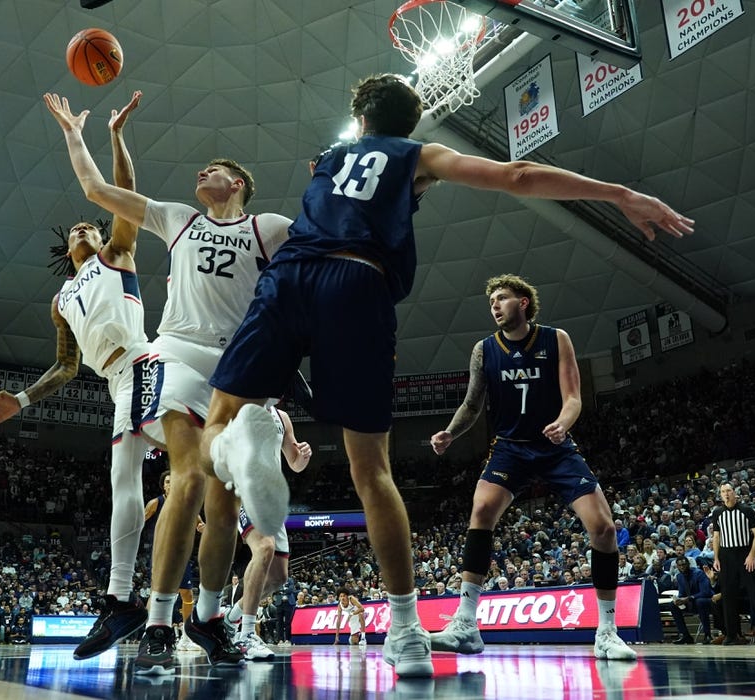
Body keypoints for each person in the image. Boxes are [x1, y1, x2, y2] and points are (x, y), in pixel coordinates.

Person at [199, 74, 692, 676]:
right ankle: (406, 633)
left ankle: (235, 446)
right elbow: (517, 176)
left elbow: (342, 188)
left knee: (220, 416)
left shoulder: (329, 160)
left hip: (292, 274)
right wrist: (618, 194)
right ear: (411, 124)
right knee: (372, 471)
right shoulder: (417, 155)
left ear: (359, 118)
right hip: (359, 284)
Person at [41, 92, 292, 675]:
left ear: (238, 184)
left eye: (216, 169)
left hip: (238, 372)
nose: (203, 172)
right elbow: (99, 193)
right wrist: (78, 134)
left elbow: (325, 253)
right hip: (175, 356)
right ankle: (156, 618)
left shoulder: (270, 228)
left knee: (225, 503)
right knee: (188, 477)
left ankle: (206, 617)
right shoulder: (179, 217)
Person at [0, 92, 154, 661]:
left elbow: (120, 196)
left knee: (136, 480)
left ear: (103, 237)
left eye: (92, 223)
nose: (86, 226)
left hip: (146, 367)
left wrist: (114, 136)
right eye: (78, 226)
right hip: (118, 385)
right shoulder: (60, 300)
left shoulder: (118, 256)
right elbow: (66, 366)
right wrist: (23, 401)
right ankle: (152, 610)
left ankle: (126, 599)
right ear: (68, 246)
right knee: (147, 481)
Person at [426, 275, 638, 661]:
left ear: (523, 303)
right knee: (481, 510)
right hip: (510, 449)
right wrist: (450, 433)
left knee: (604, 528)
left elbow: (573, 397)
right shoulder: (484, 350)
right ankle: (465, 625)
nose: (494, 304)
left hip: (554, 448)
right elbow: (473, 405)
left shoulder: (556, 339)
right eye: (491, 299)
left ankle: (607, 632)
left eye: (502, 298)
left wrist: (563, 423)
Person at [227, 407, 313, 660]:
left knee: (278, 577)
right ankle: (245, 635)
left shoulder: (282, 417)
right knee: (264, 548)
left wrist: (303, 457)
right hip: (246, 489)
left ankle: (229, 619)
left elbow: (295, 464)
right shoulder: (238, 405)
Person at [142, 469, 204, 651]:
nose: (171, 484)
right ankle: (150, 631)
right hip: (161, 554)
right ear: (163, 485)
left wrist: (202, 527)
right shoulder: (155, 503)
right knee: (156, 594)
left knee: (187, 594)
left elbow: (198, 523)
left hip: (181, 555)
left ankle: (186, 637)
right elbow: (139, 520)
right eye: (168, 481)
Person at [710, 483, 755, 645]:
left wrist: (752, 554)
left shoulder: (746, 510)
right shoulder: (717, 512)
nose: (726, 494)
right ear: (720, 494)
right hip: (726, 556)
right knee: (728, 596)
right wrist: (716, 558)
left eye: (729, 491)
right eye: (723, 492)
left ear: (734, 493)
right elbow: (716, 537)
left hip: (745, 553)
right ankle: (732, 634)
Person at [668, 557, 714, 644]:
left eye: (684, 564)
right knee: (672, 605)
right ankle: (685, 635)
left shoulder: (698, 573)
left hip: (706, 601)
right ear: (677, 567)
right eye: (680, 565)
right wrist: (678, 600)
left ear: (688, 564)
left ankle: (707, 635)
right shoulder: (679, 576)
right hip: (691, 602)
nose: (682, 567)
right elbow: (682, 594)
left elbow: (706, 592)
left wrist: (689, 598)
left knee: (699, 601)